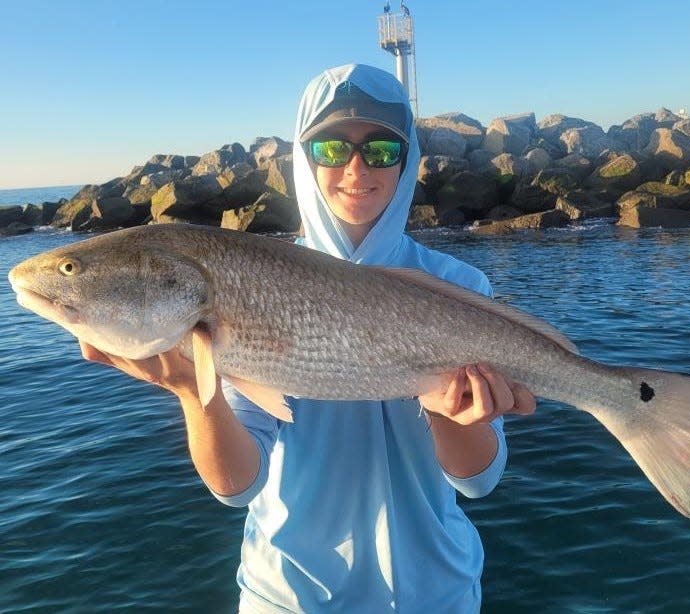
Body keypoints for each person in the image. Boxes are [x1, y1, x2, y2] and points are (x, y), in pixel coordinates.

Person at [80, 64, 536, 613]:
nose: (356, 168)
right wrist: (191, 393)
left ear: (409, 159)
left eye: (382, 150)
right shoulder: (249, 282)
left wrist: (447, 410)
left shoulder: (460, 288)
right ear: (303, 156)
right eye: (331, 149)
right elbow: (236, 487)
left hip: (439, 594)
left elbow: (478, 483)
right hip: (290, 600)